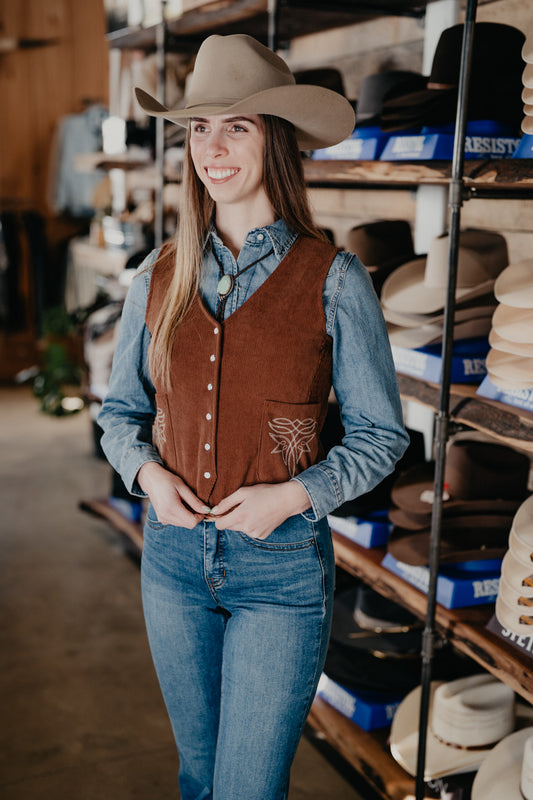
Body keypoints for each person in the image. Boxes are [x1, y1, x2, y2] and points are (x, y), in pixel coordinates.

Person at [98, 33, 409, 800]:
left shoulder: (333, 279)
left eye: (235, 125)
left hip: (280, 573)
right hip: (171, 564)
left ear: (275, 138)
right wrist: (146, 475)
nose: (212, 147)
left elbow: (381, 436)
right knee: (200, 780)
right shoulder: (157, 276)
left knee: (245, 790)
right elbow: (118, 412)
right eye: (199, 128)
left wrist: (291, 496)